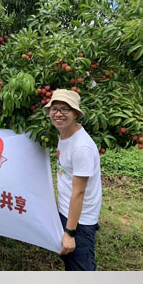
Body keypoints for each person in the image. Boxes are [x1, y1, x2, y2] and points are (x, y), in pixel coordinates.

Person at [43, 89, 101, 271]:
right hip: (68, 212)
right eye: (55, 109)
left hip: (80, 221)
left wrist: (70, 232)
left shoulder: (81, 147)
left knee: (81, 269)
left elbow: (79, 192)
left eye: (65, 109)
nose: (58, 114)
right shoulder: (65, 134)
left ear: (76, 113)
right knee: (70, 262)